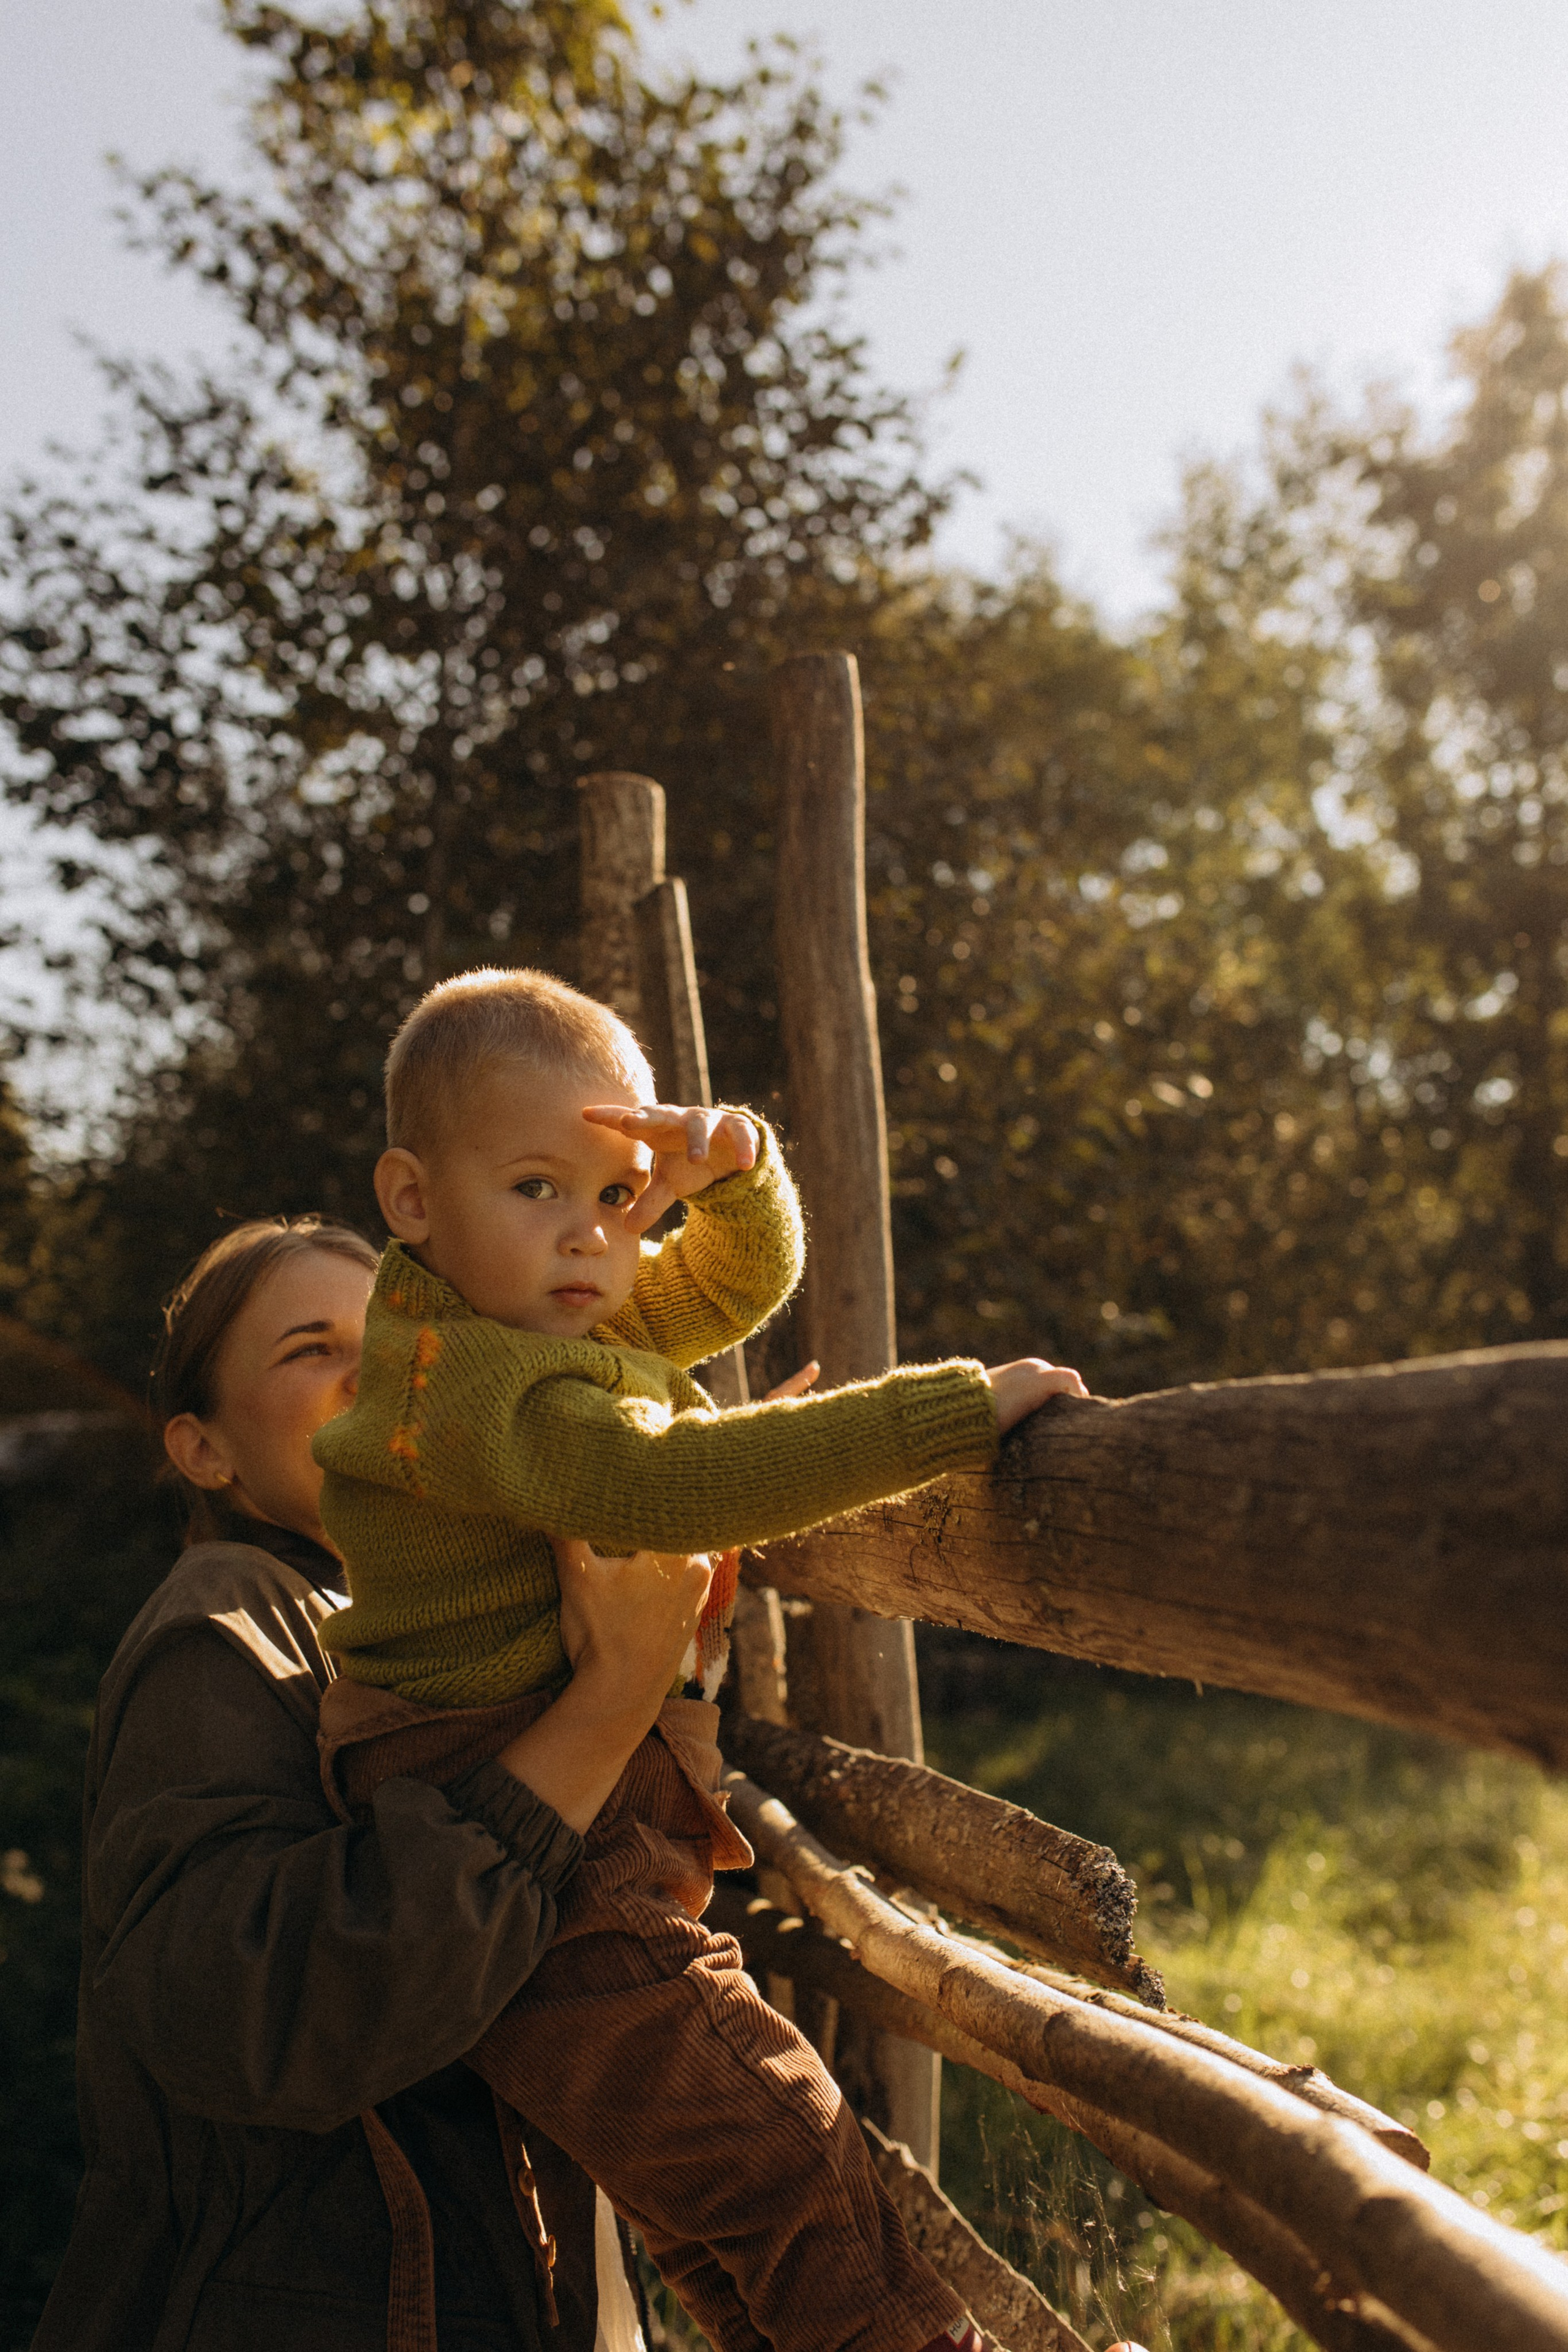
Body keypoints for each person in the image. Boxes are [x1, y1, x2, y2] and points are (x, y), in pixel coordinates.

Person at [312, 965, 1089, 2352]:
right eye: (537, 1187)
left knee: (724, 2212)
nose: (587, 1236)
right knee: (785, 2162)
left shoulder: (540, 1312)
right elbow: (671, 1491)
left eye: (614, 1200)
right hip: (522, 1832)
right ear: (415, 1200)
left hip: (554, 1815)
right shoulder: (466, 1380)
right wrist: (946, 1415)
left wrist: (729, 1170)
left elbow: (737, 1281)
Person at [31, 1213, 706, 2352]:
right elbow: (265, 2016)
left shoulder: (435, 1636)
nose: (377, 1368)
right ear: (205, 1451)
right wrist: (606, 1708)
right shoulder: (230, 1620)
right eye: (310, 1348)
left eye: (397, 1331)